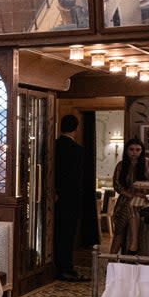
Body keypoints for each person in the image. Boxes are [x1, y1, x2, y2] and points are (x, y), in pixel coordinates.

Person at [53, 113, 87, 281]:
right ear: (76, 129)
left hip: (54, 197)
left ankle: (57, 265)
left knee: (56, 232)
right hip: (71, 198)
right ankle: (65, 267)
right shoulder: (77, 150)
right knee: (68, 234)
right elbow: (78, 178)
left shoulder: (54, 146)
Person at [111, 137, 149, 254]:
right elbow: (117, 184)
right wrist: (130, 194)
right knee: (120, 229)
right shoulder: (121, 165)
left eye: (138, 150)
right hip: (125, 199)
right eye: (131, 149)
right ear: (126, 151)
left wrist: (144, 193)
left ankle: (134, 243)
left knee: (132, 207)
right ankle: (111, 260)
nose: (134, 152)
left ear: (142, 151)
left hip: (144, 201)